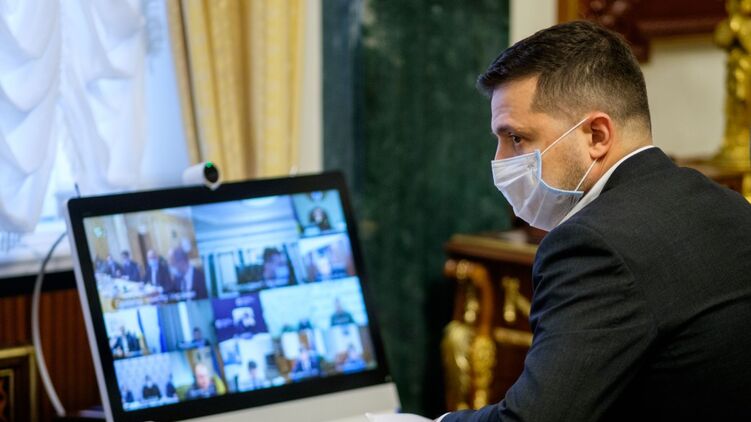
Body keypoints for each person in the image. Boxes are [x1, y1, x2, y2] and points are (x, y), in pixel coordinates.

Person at [441, 21, 751, 421]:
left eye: (516, 138)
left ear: (597, 135)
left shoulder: (593, 246)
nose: (500, 162)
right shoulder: (727, 205)